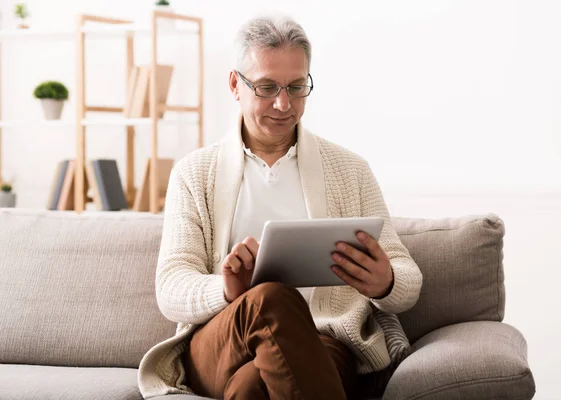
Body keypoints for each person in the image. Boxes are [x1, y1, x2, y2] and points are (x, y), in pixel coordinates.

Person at [138, 16, 422, 400]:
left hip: (320, 344)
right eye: (267, 87)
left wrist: (386, 282)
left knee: (253, 386)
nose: (283, 104)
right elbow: (170, 287)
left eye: (296, 87)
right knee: (271, 297)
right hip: (219, 342)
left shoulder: (351, 170)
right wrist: (226, 289)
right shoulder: (194, 173)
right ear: (236, 85)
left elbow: (406, 279)